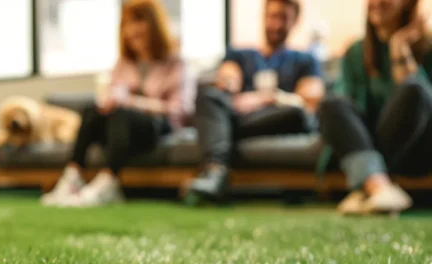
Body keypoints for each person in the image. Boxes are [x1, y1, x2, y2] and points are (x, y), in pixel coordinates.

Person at [42, 0, 194, 207]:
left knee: (122, 113)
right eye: (127, 24)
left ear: (154, 25)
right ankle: (72, 177)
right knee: (91, 111)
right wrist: (108, 101)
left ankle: (108, 181)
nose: (132, 30)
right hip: (121, 128)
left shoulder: (176, 62)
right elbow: (111, 94)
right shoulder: (123, 63)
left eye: (138, 23)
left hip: (157, 126)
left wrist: (133, 101)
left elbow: (180, 109)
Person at [187, 0, 325, 201]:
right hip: (243, 116)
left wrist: (266, 98)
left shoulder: (305, 60)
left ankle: (219, 132)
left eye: (284, 18)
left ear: (295, 21)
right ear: (264, 16)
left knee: (298, 114)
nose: (277, 24)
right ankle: (216, 171)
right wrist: (230, 88)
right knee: (209, 96)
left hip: (278, 118)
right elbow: (228, 80)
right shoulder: (240, 54)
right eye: (273, 16)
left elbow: (309, 102)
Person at [318, 0, 432, 215]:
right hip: (364, 140)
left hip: (415, 148)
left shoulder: (428, 46)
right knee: (331, 103)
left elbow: (421, 101)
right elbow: (345, 114)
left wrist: (400, 48)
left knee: (414, 88)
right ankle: (379, 186)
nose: (377, 2)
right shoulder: (355, 52)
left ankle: (367, 186)